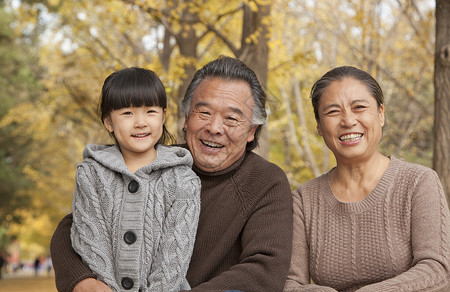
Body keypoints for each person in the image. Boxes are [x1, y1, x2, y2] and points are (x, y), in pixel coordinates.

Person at [50, 56, 293, 292]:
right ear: (186, 118)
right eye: (204, 113)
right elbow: (72, 227)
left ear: (252, 130)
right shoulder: (155, 162)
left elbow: (263, 270)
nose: (214, 128)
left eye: (231, 118)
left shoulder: (265, 181)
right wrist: (82, 281)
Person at [284, 66, 450, 291]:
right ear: (319, 127)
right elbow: (289, 282)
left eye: (359, 107)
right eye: (333, 112)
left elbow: (438, 270)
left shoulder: (419, 182)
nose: (348, 120)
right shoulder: (304, 200)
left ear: (381, 114)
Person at [69, 67, 201, 291]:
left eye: (150, 111)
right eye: (127, 113)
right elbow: (91, 244)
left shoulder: (183, 180)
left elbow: (174, 258)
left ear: (163, 117)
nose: (140, 122)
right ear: (108, 122)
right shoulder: (91, 174)